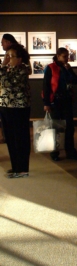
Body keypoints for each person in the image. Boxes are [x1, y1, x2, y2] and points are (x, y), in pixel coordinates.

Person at [43, 47, 77, 161]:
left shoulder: (67, 68)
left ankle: (70, 152)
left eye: (67, 56)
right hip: (55, 101)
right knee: (55, 127)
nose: (66, 59)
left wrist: (70, 70)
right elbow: (46, 86)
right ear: (58, 56)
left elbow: (75, 81)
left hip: (67, 101)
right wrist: (46, 103)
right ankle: (55, 153)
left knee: (69, 127)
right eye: (64, 56)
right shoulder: (50, 68)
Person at [0, 43, 31, 178]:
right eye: (7, 56)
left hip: (19, 108)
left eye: (11, 56)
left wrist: (1, 67)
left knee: (20, 138)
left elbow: (9, 84)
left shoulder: (23, 70)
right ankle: (15, 167)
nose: (8, 59)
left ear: (20, 58)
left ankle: (22, 169)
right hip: (6, 107)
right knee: (10, 138)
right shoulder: (9, 70)